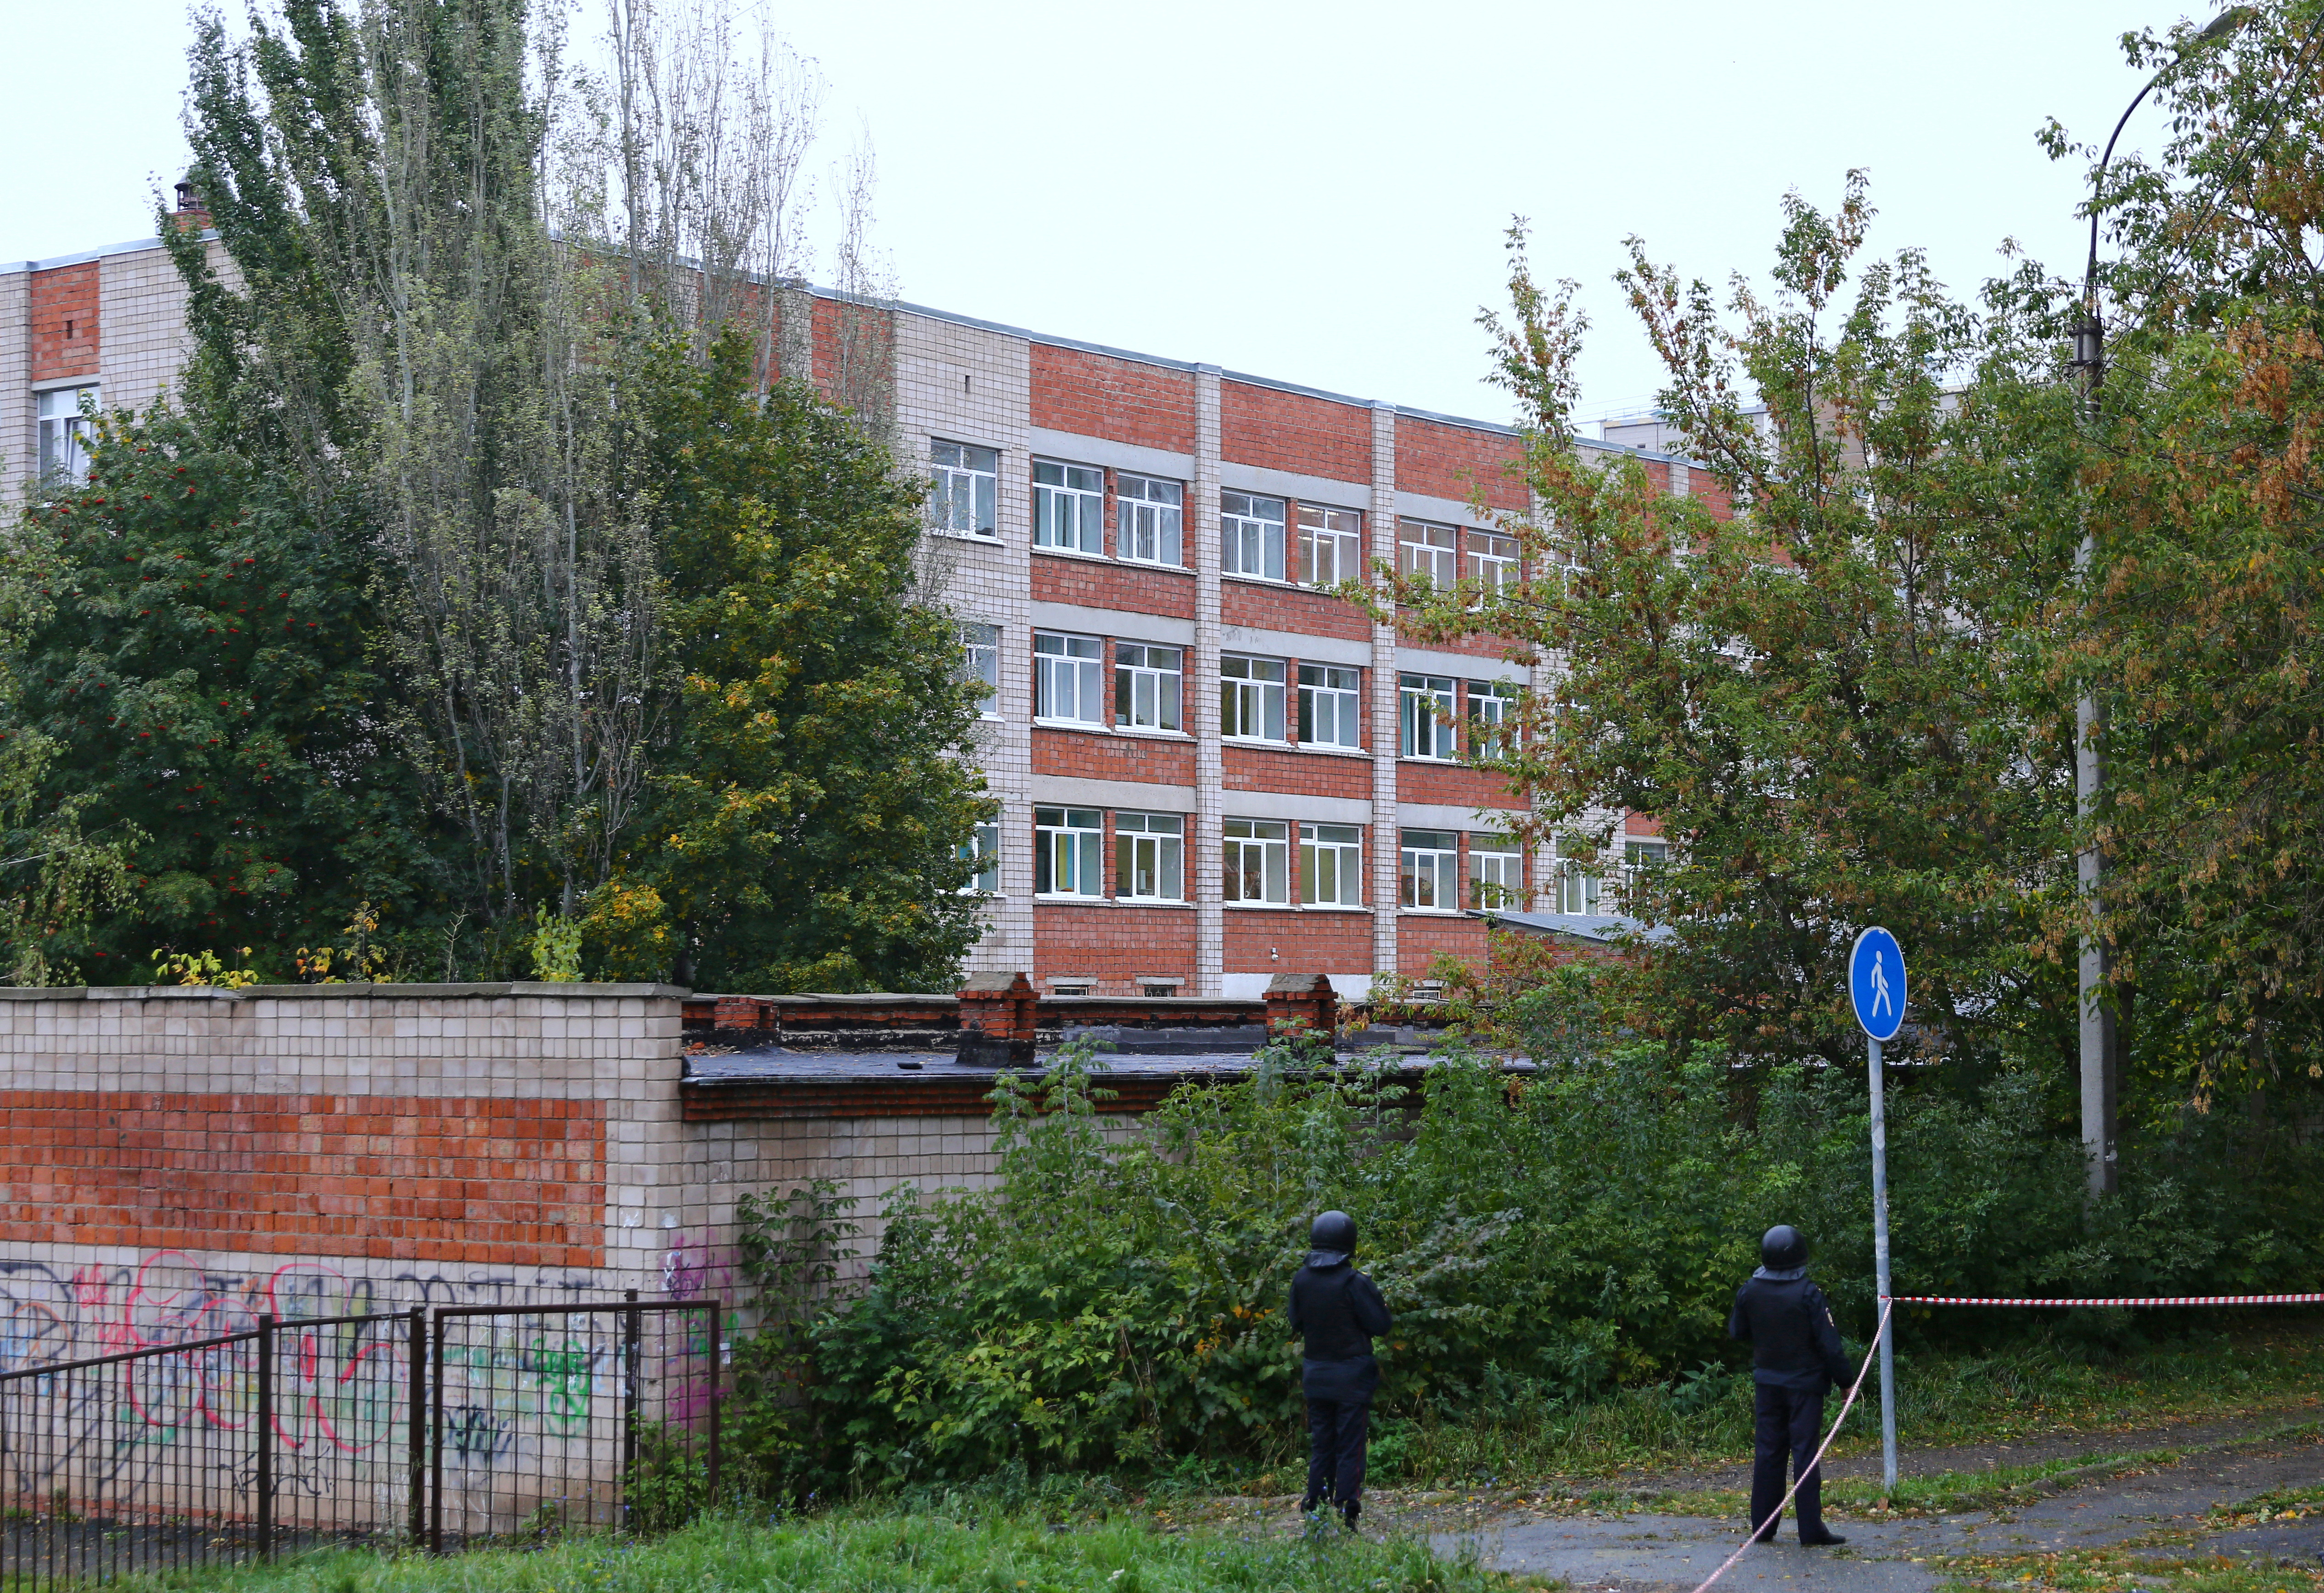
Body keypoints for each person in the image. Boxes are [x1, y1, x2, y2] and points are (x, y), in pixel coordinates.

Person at [1728, 1224, 1852, 1547]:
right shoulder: (1808, 1293)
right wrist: (1846, 1382)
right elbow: (1830, 1344)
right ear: (1800, 1256)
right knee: (1805, 1455)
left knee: (1769, 1454)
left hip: (1768, 1383)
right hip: (1805, 1387)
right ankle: (1811, 1530)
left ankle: (1762, 1529)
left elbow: (1737, 1332)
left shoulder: (1750, 1290)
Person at [1287, 1209, 1392, 1529]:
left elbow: (1296, 1322)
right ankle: (1348, 1510)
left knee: (1322, 1444)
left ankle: (1316, 1508)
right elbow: (1381, 1324)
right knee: (1350, 1446)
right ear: (1350, 1242)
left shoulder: (1301, 1280)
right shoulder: (1353, 1281)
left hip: (1316, 1376)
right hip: (1352, 1378)